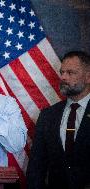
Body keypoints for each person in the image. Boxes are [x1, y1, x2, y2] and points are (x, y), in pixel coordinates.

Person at [26, 51, 90, 189]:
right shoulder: (48, 116)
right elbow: (36, 168)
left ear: (88, 77)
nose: (63, 77)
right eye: (62, 72)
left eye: (71, 73)